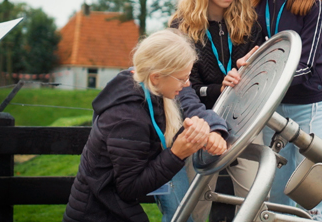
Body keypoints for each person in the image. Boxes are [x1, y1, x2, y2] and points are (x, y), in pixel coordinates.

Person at [63, 29, 228, 222]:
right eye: (182, 78)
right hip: (96, 214)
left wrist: (214, 130)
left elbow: (191, 104)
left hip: (114, 207)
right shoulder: (127, 120)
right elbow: (130, 188)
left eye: (188, 77)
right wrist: (176, 154)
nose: (186, 84)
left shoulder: (152, 85)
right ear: (156, 77)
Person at [245, 0, 322, 222]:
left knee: (313, 193)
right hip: (271, 107)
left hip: (309, 105)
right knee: (278, 193)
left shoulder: (314, 3)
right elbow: (247, 52)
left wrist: (260, 85)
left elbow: (307, 65)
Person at [166, 0, 261, 222]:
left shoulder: (249, 23)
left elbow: (263, 78)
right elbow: (184, 89)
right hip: (199, 125)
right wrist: (221, 87)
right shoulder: (181, 27)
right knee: (197, 205)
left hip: (243, 120)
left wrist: (249, 72)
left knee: (256, 200)